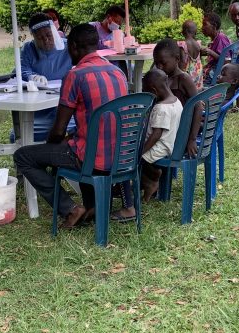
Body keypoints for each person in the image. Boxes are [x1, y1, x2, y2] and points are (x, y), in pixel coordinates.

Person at [14, 23, 128, 230]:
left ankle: (69, 208)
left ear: (73, 46)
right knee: (75, 143)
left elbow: (58, 130)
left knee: (24, 156)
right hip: (122, 155)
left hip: (91, 157)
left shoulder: (75, 75)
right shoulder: (118, 72)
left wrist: (50, 152)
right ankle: (92, 206)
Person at [111, 69, 184, 221]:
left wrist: (140, 151)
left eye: (145, 91)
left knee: (131, 160)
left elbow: (156, 134)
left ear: (153, 90)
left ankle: (150, 182)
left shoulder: (161, 108)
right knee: (136, 155)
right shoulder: (176, 101)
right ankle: (149, 180)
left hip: (159, 147)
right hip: (170, 144)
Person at [13, 12, 73, 141]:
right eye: (39, 38)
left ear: (55, 32)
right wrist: (32, 77)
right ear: (33, 37)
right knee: (18, 136)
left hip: (66, 108)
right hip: (39, 109)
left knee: (69, 130)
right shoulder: (29, 49)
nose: (46, 40)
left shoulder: (68, 47)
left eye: (48, 35)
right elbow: (21, 69)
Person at [152, 38, 201, 157]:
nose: (159, 67)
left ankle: (156, 173)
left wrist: (192, 139)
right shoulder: (161, 79)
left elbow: (198, 107)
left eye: (163, 63)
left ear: (177, 59)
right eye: (156, 63)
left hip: (180, 132)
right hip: (164, 129)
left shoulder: (183, 79)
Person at [201, 12, 231, 86]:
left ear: (214, 26)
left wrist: (210, 52)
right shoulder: (216, 38)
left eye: (205, 24)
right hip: (213, 71)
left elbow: (227, 61)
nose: (202, 27)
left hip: (215, 74)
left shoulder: (221, 38)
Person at [177, 19, 204, 90]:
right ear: (195, 32)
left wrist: (179, 75)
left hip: (188, 75)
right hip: (198, 73)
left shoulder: (183, 44)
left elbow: (182, 61)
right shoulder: (198, 43)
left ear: (184, 31)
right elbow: (200, 59)